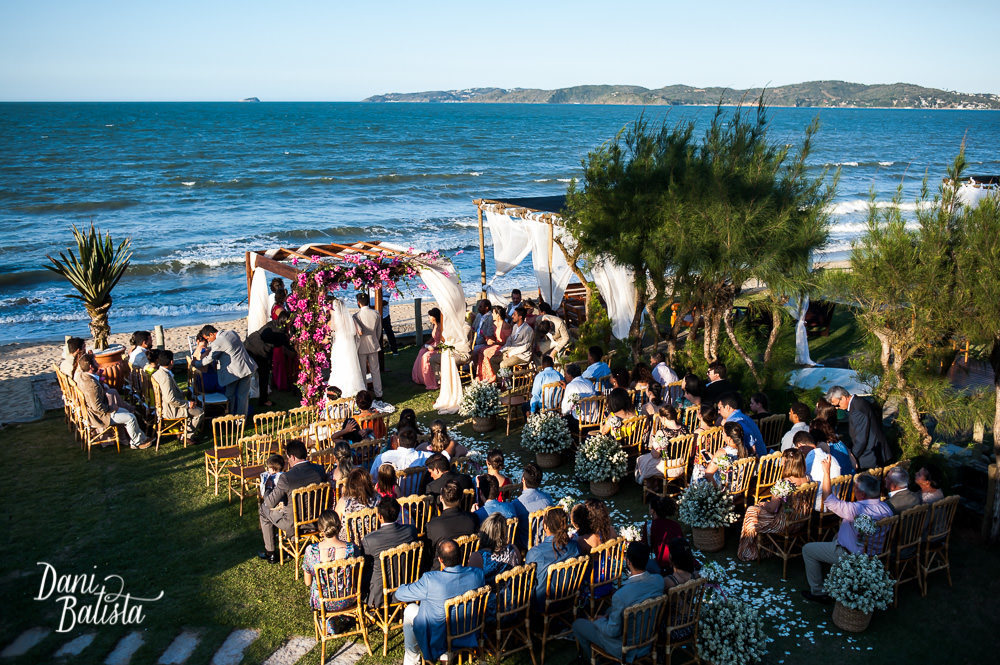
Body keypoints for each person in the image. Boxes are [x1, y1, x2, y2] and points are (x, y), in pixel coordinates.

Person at [801, 457, 894, 603]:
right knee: (836, 535)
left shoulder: (856, 509)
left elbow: (828, 499)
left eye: (855, 489)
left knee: (808, 550)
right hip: (875, 552)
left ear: (862, 494)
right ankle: (834, 579)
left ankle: (818, 591)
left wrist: (826, 473)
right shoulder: (886, 508)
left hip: (850, 554)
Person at [395, 539, 486, 665]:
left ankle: (411, 661)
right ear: (460, 555)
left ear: (440, 560)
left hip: (440, 635)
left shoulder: (431, 580)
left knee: (410, 609)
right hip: (468, 628)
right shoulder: (478, 574)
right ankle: (445, 654)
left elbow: (400, 594)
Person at [572, 542, 664, 662]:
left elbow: (612, 631)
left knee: (578, 625)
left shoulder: (621, 595)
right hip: (648, 640)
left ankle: (591, 659)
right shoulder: (659, 581)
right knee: (610, 611)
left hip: (624, 647)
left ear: (628, 562)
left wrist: (598, 622)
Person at [258, 439, 328, 563]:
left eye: (288, 458)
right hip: (317, 519)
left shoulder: (286, 478)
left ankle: (271, 553)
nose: (288, 461)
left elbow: (269, 503)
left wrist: (268, 486)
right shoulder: (319, 469)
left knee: (263, 509)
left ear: (293, 457)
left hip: (293, 523)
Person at [737, 448, 811, 561]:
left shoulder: (784, 483)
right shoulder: (807, 479)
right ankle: (765, 546)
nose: (780, 461)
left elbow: (772, 508)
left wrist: (763, 505)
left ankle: (749, 551)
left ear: (787, 463)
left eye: (782, 459)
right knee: (756, 509)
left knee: (752, 511)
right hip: (800, 520)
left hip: (784, 524)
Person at [75, 354, 151, 450]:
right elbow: (98, 408)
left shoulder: (82, 376)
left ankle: (141, 437)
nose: (97, 363)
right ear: (91, 366)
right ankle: (136, 442)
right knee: (130, 418)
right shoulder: (92, 385)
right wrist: (112, 408)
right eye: (95, 362)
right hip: (100, 416)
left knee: (124, 409)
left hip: (93, 411)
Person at [359, 497, 418, 608]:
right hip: (406, 585)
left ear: (379, 516)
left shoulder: (369, 540)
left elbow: (365, 567)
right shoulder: (411, 531)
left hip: (380, 595)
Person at [302, 510, 358, 615]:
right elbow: (356, 575)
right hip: (348, 599)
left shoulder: (311, 551)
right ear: (339, 526)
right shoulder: (352, 549)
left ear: (320, 529)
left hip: (323, 602)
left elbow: (307, 582)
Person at [193, 325, 257, 417]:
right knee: (243, 397)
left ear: (211, 334)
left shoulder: (217, 343)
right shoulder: (232, 333)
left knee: (230, 396)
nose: (209, 341)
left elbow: (209, 359)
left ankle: (230, 417)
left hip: (234, 373)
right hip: (246, 367)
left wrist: (196, 364)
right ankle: (242, 420)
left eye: (208, 338)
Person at [825, 386, 891, 470]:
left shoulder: (857, 410)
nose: (837, 408)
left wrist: (851, 457)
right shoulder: (858, 403)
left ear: (843, 398)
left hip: (871, 455)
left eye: (837, 405)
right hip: (873, 451)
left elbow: (861, 440)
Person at [525, 507, 580, 607]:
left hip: (543, 603)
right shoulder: (575, 547)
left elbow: (527, 582)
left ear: (545, 527)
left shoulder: (535, 552)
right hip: (569, 598)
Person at [150, 349, 204, 439]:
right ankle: (187, 436)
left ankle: (184, 431)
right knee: (200, 412)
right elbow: (170, 399)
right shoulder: (165, 377)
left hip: (164, 406)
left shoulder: (157, 373)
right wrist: (187, 404)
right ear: (171, 362)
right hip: (171, 409)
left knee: (192, 400)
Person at [244, 312, 292, 408]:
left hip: (249, 342)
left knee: (247, 372)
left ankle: (250, 396)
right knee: (264, 375)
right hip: (260, 350)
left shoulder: (273, 323)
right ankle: (263, 400)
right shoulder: (281, 333)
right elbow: (287, 346)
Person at [326, 298, 367, 398]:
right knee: (351, 366)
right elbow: (359, 332)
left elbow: (328, 336)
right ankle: (355, 392)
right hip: (349, 346)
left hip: (339, 346)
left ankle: (338, 393)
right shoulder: (350, 318)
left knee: (339, 368)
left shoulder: (332, 321)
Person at [512, 462, 554, 550]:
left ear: (523, 480)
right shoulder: (548, 499)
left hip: (525, 545)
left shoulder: (517, 504)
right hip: (545, 540)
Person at [426, 481, 479, 551]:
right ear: (462, 497)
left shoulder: (432, 525)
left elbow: (430, 551)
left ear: (441, 498)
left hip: (442, 561)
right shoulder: (473, 519)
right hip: (468, 560)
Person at [335, 467, 380, 542]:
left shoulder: (344, 503)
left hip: (350, 544)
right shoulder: (377, 498)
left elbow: (335, 523)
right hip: (373, 540)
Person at [354, 292, 383, 399]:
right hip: (373, 343)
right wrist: (375, 339)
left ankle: (364, 393)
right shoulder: (376, 314)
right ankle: (379, 393)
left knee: (363, 372)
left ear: (358, 303)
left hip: (361, 346)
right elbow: (379, 331)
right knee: (375, 370)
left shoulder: (356, 316)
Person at [644, 496, 683, 572]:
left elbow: (645, 547)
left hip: (664, 565)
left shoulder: (650, 525)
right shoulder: (676, 525)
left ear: (652, 511)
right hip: (680, 562)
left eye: (649, 507)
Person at [477, 306, 510, 383]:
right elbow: (493, 336)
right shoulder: (494, 324)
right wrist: (488, 338)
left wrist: (494, 342)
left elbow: (506, 342)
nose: (492, 314)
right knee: (481, 350)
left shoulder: (505, 326)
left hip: (503, 346)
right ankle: (484, 376)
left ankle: (492, 376)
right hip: (496, 344)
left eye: (493, 313)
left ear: (498, 315)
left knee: (486, 352)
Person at [560, 363, 595, 436]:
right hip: (594, 421)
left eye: (565, 375)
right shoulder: (589, 383)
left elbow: (565, 409)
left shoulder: (571, 386)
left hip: (580, 423)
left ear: (569, 376)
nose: (564, 377)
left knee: (561, 420)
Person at [494, 306, 533, 373]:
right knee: (493, 360)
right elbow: (509, 340)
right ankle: (500, 380)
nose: (512, 316)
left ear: (520, 317)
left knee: (503, 364)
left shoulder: (528, 330)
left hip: (522, 355)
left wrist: (511, 353)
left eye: (514, 315)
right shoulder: (515, 327)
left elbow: (524, 347)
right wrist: (501, 350)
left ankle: (506, 382)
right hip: (511, 352)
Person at [412, 307, 443, 390]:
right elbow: (433, 338)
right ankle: (421, 378)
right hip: (434, 345)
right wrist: (426, 344)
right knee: (421, 351)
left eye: (430, 316)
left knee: (426, 356)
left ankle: (432, 381)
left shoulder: (441, 327)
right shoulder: (434, 325)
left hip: (439, 347)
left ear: (434, 317)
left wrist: (434, 347)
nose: (429, 318)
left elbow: (443, 341)